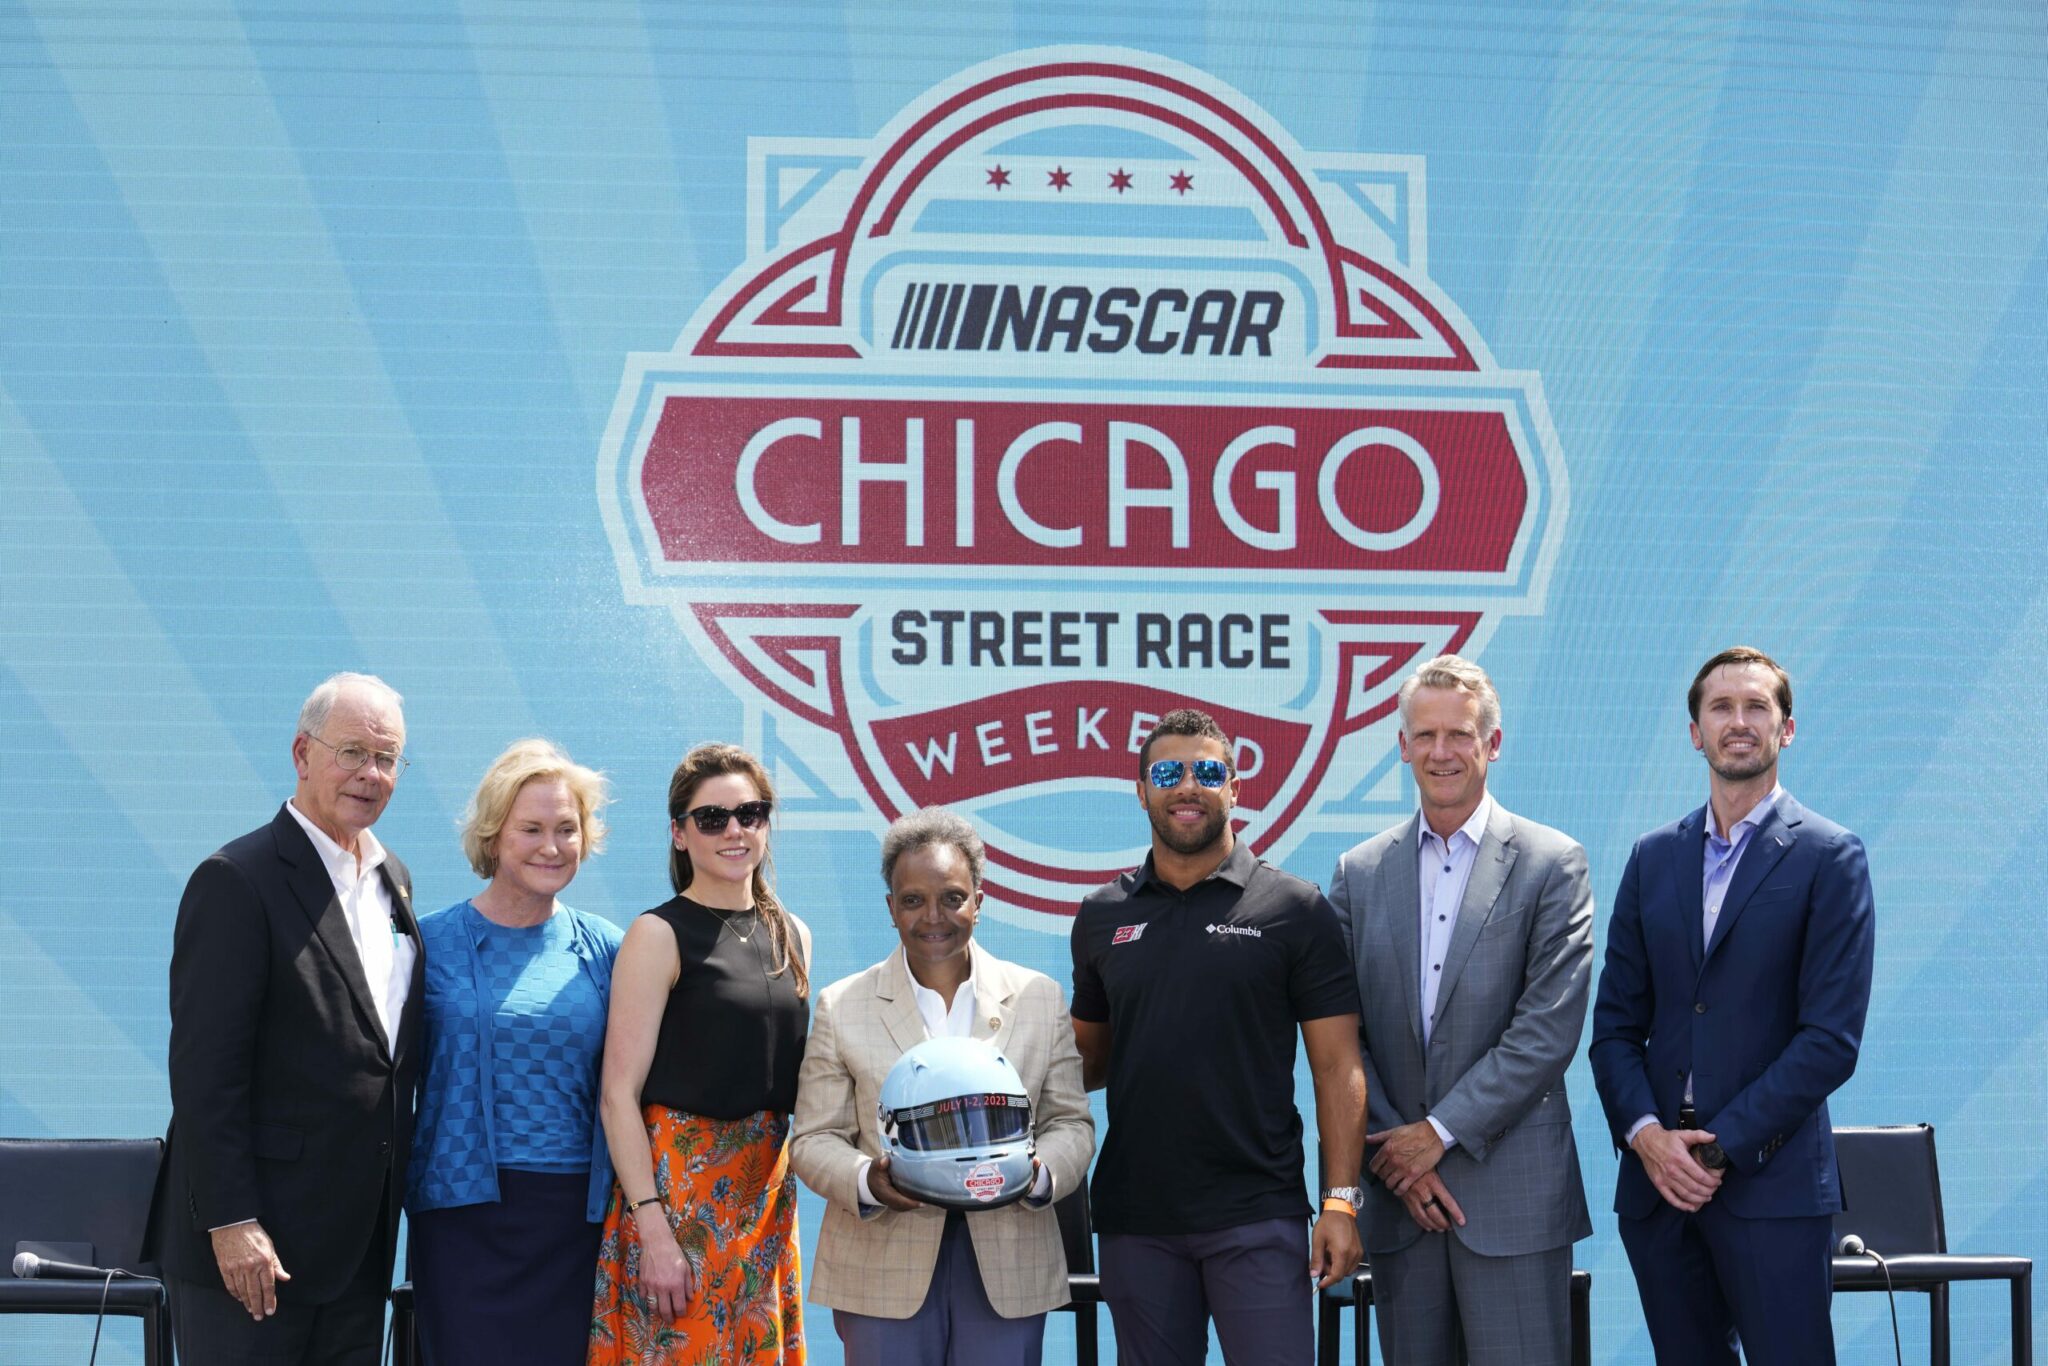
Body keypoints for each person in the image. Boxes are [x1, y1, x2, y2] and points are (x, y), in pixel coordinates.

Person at [1591, 647, 1875, 1366]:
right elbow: (1615, 1030)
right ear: (1696, 732)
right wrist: (1648, 1139)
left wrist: (1718, 1151)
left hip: (1771, 1190)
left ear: (1787, 729)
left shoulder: (1829, 856)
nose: (1738, 721)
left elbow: (1829, 1041)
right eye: (1721, 707)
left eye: (1757, 707)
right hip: (1658, 1191)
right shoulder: (1652, 857)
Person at [1070, 707, 1366, 1366]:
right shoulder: (1101, 915)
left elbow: (1337, 1067)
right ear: (1141, 791)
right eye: (1166, 774)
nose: (1187, 787)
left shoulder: (1295, 908)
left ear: (1234, 788)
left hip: (1258, 1215)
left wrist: (1341, 1203)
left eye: (1207, 773)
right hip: (1137, 1220)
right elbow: (1087, 1062)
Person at [144, 672, 423, 1365]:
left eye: (387, 758)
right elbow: (205, 1071)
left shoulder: (393, 879)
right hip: (252, 1252)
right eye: (352, 752)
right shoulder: (238, 878)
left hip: (357, 1249)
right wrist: (231, 1220)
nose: (370, 774)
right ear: (302, 754)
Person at [1325, 654, 1594, 1364]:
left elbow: (1547, 1030)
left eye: (1460, 734)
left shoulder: (1552, 863)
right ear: (1403, 745)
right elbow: (1341, 1038)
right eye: (1426, 734)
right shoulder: (1358, 874)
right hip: (1401, 1201)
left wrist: (1438, 1135)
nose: (1441, 751)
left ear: (1492, 743)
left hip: (1512, 1202)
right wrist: (1399, 1158)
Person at [790, 807, 1095, 1366]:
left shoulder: (1038, 997)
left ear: (979, 900)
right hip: (882, 1267)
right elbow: (813, 1138)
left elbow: (1071, 1123)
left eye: (952, 897)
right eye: (913, 900)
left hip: (1008, 1260)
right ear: (890, 908)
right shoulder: (843, 1005)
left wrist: (1037, 1174)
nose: (934, 916)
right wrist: (867, 1180)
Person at [589, 743, 811, 1365]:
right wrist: (653, 1229)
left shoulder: (793, 934)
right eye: (712, 818)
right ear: (679, 834)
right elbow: (617, 1096)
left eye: (750, 813)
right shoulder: (657, 934)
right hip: (679, 1200)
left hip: (765, 1201)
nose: (734, 830)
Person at [405, 738, 624, 1364]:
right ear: (494, 835)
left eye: (567, 829)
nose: (551, 846)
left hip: (575, 1221)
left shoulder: (609, 950)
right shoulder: (428, 943)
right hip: (460, 1218)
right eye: (531, 829)